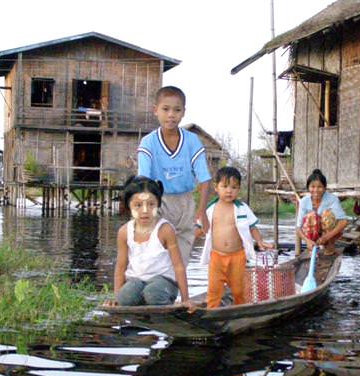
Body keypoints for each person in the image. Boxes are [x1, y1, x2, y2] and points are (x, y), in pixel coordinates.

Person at [137, 86, 211, 266]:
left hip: (186, 204)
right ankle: (154, 289)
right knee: (155, 254)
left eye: (177, 110)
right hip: (159, 201)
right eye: (165, 109)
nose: (171, 114)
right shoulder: (148, 143)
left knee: (181, 258)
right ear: (156, 110)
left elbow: (205, 179)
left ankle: (176, 293)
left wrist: (202, 212)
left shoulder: (192, 141)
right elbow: (143, 181)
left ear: (183, 112)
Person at [106, 176, 191, 307]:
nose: (145, 211)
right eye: (138, 205)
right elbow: (121, 267)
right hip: (136, 281)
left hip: (164, 282)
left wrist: (185, 300)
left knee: (153, 293)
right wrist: (117, 297)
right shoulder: (124, 232)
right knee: (125, 297)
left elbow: (178, 266)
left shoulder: (165, 230)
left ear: (158, 204)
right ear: (129, 206)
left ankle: (164, 313)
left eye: (151, 204)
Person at [200, 166, 273, 308]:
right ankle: (211, 311)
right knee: (214, 289)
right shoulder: (210, 209)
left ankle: (241, 310)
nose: (229, 191)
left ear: (238, 189)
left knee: (239, 289)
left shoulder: (242, 208)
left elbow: (252, 227)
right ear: (216, 187)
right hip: (216, 257)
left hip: (237, 256)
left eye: (234, 187)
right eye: (225, 186)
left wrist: (260, 241)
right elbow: (199, 227)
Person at [296, 169, 348, 256]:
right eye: (312, 186)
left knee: (327, 215)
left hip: (328, 234)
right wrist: (307, 240)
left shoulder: (332, 199)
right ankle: (312, 247)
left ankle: (329, 246)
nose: (316, 190)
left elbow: (343, 221)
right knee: (311, 216)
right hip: (312, 235)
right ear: (308, 188)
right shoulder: (304, 201)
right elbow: (298, 228)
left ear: (324, 188)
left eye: (319, 187)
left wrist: (326, 237)